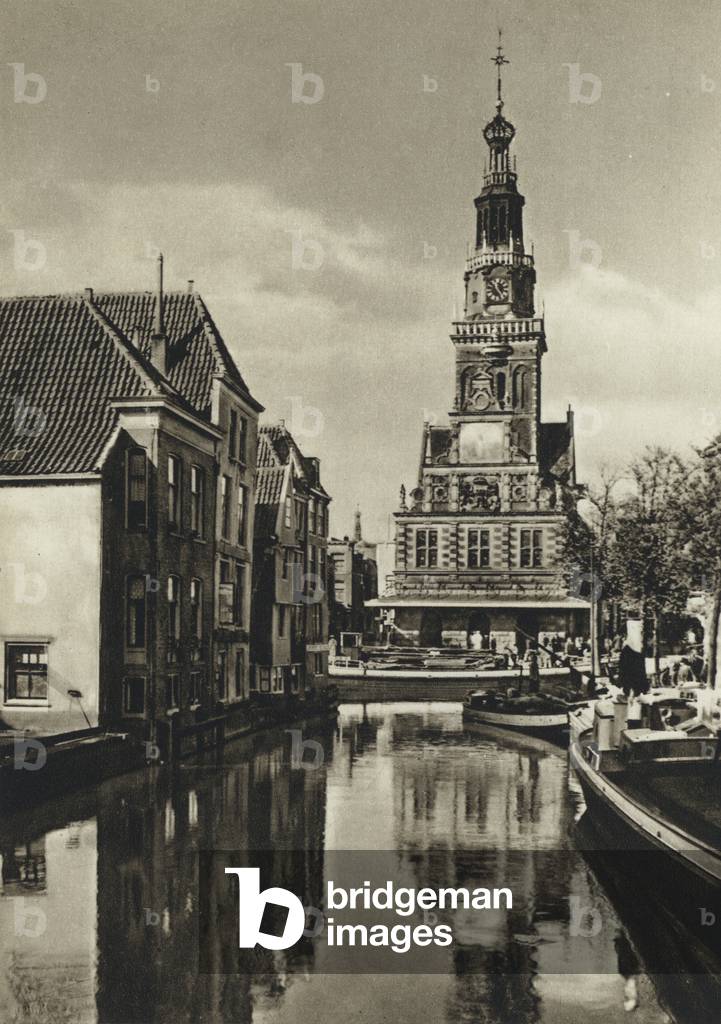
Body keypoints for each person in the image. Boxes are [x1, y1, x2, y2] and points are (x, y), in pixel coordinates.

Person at [618, 620, 649, 698]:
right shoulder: (628, 651)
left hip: (638, 689)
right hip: (631, 688)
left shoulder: (639, 650)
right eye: (640, 633)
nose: (642, 636)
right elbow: (624, 671)